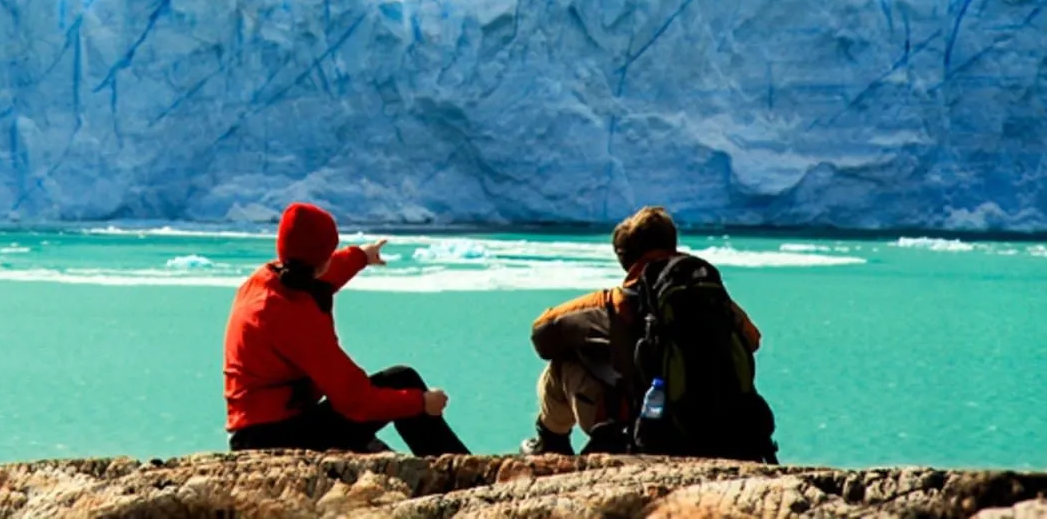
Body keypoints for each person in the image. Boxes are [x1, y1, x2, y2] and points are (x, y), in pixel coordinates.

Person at [523, 206, 776, 462]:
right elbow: (752, 340)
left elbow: (542, 334)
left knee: (563, 366)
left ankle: (551, 444)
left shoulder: (612, 303)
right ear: (673, 244)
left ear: (625, 258)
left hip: (644, 434)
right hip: (728, 432)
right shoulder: (710, 295)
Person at [224, 202, 469, 455]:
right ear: (321, 259)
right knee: (401, 380)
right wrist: (421, 403)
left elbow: (326, 273)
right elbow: (354, 400)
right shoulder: (290, 316)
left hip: (262, 427)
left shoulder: (268, 281)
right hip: (272, 439)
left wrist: (362, 256)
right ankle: (464, 474)